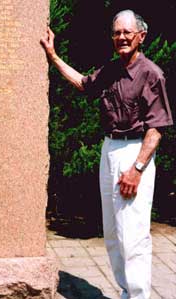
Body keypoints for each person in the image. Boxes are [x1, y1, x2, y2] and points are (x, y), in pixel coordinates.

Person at [41, 9, 173, 299]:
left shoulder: (151, 74)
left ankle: (138, 296)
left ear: (141, 36)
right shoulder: (112, 69)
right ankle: (126, 291)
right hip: (110, 149)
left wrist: (136, 169)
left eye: (127, 32)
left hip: (135, 151)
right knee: (113, 233)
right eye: (116, 33)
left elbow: (156, 129)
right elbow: (83, 83)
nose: (121, 38)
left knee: (133, 235)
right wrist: (53, 56)